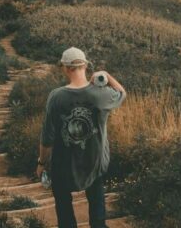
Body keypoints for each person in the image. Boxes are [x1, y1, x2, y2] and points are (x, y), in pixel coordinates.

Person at [36, 46, 127, 228]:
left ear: (65, 68)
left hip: (63, 164)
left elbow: (47, 136)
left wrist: (41, 163)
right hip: (94, 161)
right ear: (85, 65)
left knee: (64, 210)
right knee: (97, 212)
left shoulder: (56, 97)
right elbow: (122, 93)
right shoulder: (101, 94)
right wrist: (106, 76)